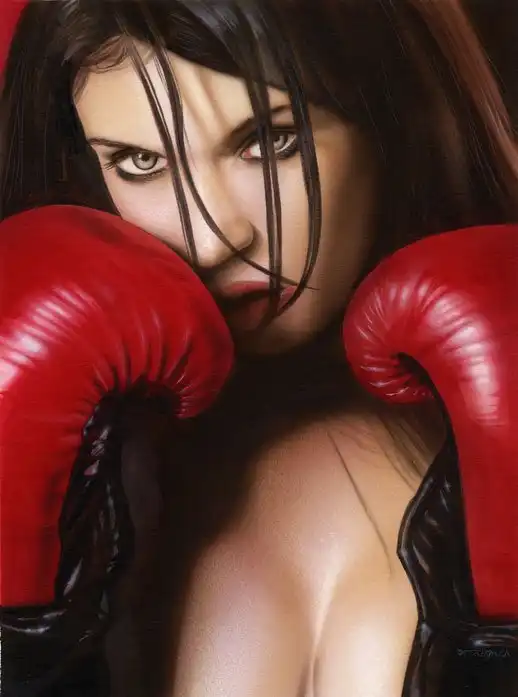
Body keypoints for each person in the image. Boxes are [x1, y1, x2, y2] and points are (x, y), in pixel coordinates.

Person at [1, 1, 518, 696]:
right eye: (139, 161)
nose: (214, 237)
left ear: (395, 118)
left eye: (270, 142)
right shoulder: (97, 477)